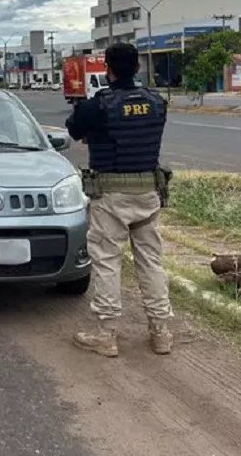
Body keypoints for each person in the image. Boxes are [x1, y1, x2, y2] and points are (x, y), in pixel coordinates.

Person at [65, 43, 173, 358]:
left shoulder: (98, 105)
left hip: (110, 194)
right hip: (148, 193)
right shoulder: (157, 102)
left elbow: (75, 131)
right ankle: (161, 332)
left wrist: (95, 134)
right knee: (151, 262)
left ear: (106, 69)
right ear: (138, 67)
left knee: (107, 261)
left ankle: (106, 333)